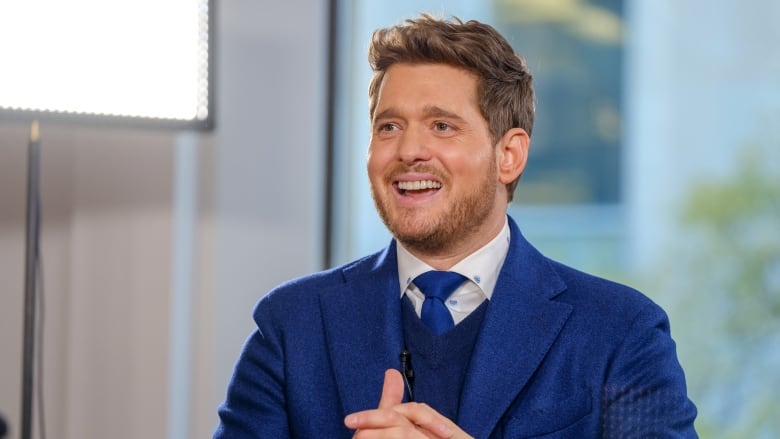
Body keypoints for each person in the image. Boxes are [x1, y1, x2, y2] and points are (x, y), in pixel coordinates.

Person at [214, 14, 697, 438]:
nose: (407, 151)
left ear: (508, 156)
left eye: (441, 126)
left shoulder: (620, 332)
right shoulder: (291, 324)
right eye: (389, 127)